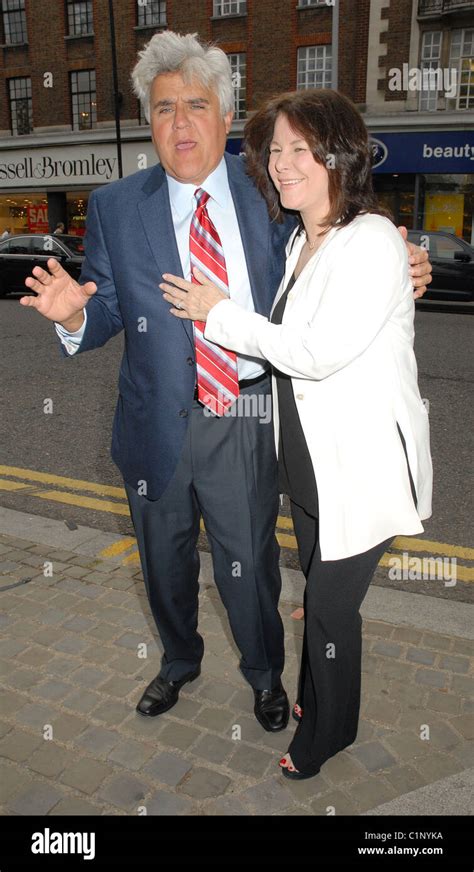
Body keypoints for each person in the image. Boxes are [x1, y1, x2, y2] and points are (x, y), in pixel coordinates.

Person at [20, 33, 432, 737]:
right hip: (154, 421)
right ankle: (179, 661)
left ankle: (265, 675)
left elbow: (336, 238)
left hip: (245, 409)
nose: (180, 124)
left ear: (225, 115)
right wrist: (74, 318)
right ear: (149, 121)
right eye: (163, 108)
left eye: (197, 105)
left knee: (250, 566)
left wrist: (402, 255)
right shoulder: (117, 206)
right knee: (164, 565)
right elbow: (107, 306)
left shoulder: (269, 186)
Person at [159, 88, 433, 780]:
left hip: (362, 469)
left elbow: (314, 351)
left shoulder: (370, 240)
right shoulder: (301, 241)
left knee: (332, 613)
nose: (282, 164)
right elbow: (278, 348)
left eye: (299, 149)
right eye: (274, 151)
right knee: (320, 601)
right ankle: (318, 700)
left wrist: (216, 312)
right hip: (311, 469)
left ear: (338, 152)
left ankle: (326, 735)